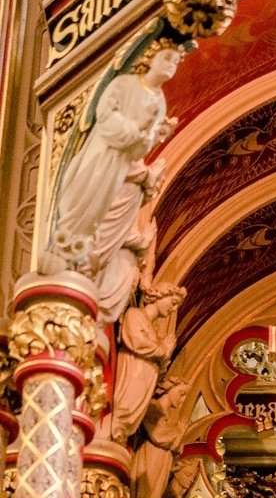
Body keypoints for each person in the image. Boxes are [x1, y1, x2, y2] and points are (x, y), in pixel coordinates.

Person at [53, 40, 182, 316]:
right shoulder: (123, 85)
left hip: (126, 177)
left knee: (101, 242)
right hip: (106, 162)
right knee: (84, 220)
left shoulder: (158, 100)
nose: (171, 66)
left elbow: (144, 143)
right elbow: (105, 117)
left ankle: (85, 270)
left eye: (176, 62)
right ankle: (73, 260)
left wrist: (147, 141)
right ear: (150, 57)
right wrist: (137, 141)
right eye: (167, 58)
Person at [108, 283, 185, 445]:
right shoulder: (135, 315)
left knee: (129, 420)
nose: (173, 309)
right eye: (172, 303)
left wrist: (164, 354)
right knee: (124, 411)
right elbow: (137, 342)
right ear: (159, 296)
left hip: (145, 379)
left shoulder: (153, 330)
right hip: (134, 373)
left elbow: (160, 364)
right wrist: (163, 350)